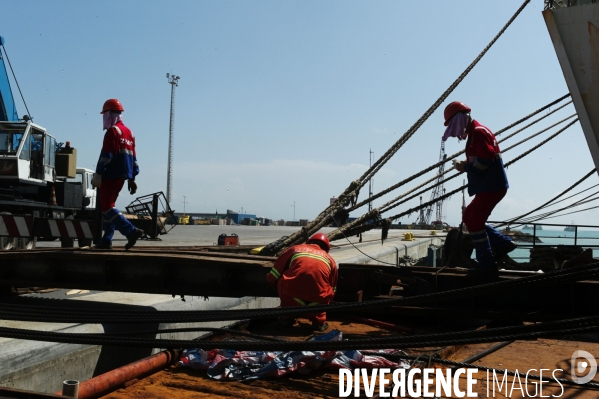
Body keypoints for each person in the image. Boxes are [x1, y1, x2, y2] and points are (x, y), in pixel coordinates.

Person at [443, 101, 516, 273]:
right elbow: (482, 159)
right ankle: (503, 243)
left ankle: (487, 264)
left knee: (475, 222)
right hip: (488, 187)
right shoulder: (475, 134)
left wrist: (465, 167)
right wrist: (466, 164)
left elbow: (485, 161)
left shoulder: (478, 133)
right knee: (469, 216)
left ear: (460, 120)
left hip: (491, 187)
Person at [91, 99, 144, 250]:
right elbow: (133, 158)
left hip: (110, 175)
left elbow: (106, 156)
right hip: (122, 176)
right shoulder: (129, 133)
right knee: (109, 207)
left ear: (109, 114)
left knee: (107, 207)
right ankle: (107, 240)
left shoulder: (113, 131)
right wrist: (132, 178)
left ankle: (131, 231)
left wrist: (98, 174)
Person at [266, 232, 338, 331]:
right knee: (327, 291)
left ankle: (287, 318)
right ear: (326, 248)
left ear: (308, 242)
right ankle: (319, 322)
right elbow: (333, 289)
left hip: (291, 300)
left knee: (282, 279)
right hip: (316, 305)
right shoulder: (330, 260)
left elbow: (273, 275)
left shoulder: (295, 249)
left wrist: (275, 286)